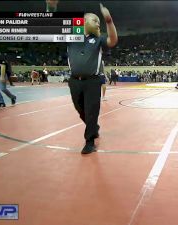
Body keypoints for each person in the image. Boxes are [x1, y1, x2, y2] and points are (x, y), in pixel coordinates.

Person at [67, 4, 117, 154]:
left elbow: (113, 40)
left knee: (91, 111)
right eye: (94, 20)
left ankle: (89, 141)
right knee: (79, 109)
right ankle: (93, 127)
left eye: (99, 21)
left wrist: (108, 21)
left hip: (92, 81)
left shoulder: (99, 40)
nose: (97, 23)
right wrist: (50, 9)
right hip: (74, 81)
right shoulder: (71, 37)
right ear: (83, 21)